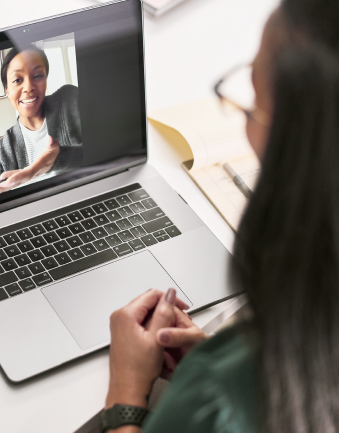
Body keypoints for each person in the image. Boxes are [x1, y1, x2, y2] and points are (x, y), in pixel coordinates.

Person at [103, 0, 339, 432]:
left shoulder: (214, 403)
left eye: (252, 101)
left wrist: (125, 395)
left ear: (297, 143)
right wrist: (231, 350)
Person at [0, 45, 82, 195]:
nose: (28, 87)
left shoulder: (71, 101)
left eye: (38, 76)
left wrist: (58, 159)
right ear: (7, 90)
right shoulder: (0, 155)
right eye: (18, 79)